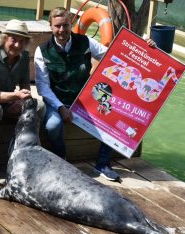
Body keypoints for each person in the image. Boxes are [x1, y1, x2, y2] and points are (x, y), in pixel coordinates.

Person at [34, 7, 156, 181]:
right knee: (52, 126)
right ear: (51, 27)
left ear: (71, 24)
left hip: (85, 99)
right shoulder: (42, 51)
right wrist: (60, 108)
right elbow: (43, 87)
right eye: (57, 26)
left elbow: (114, 54)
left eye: (66, 25)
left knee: (113, 115)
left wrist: (145, 47)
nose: (62, 30)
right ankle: (61, 159)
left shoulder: (86, 42)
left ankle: (103, 163)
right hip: (57, 101)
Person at [0, 19, 46, 181]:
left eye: (22, 41)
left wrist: (21, 102)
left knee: (38, 106)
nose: (17, 45)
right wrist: (15, 97)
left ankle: (24, 152)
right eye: (13, 40)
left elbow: (26, 87)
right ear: (4, 38)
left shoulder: (24, 57)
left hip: (8, 98)